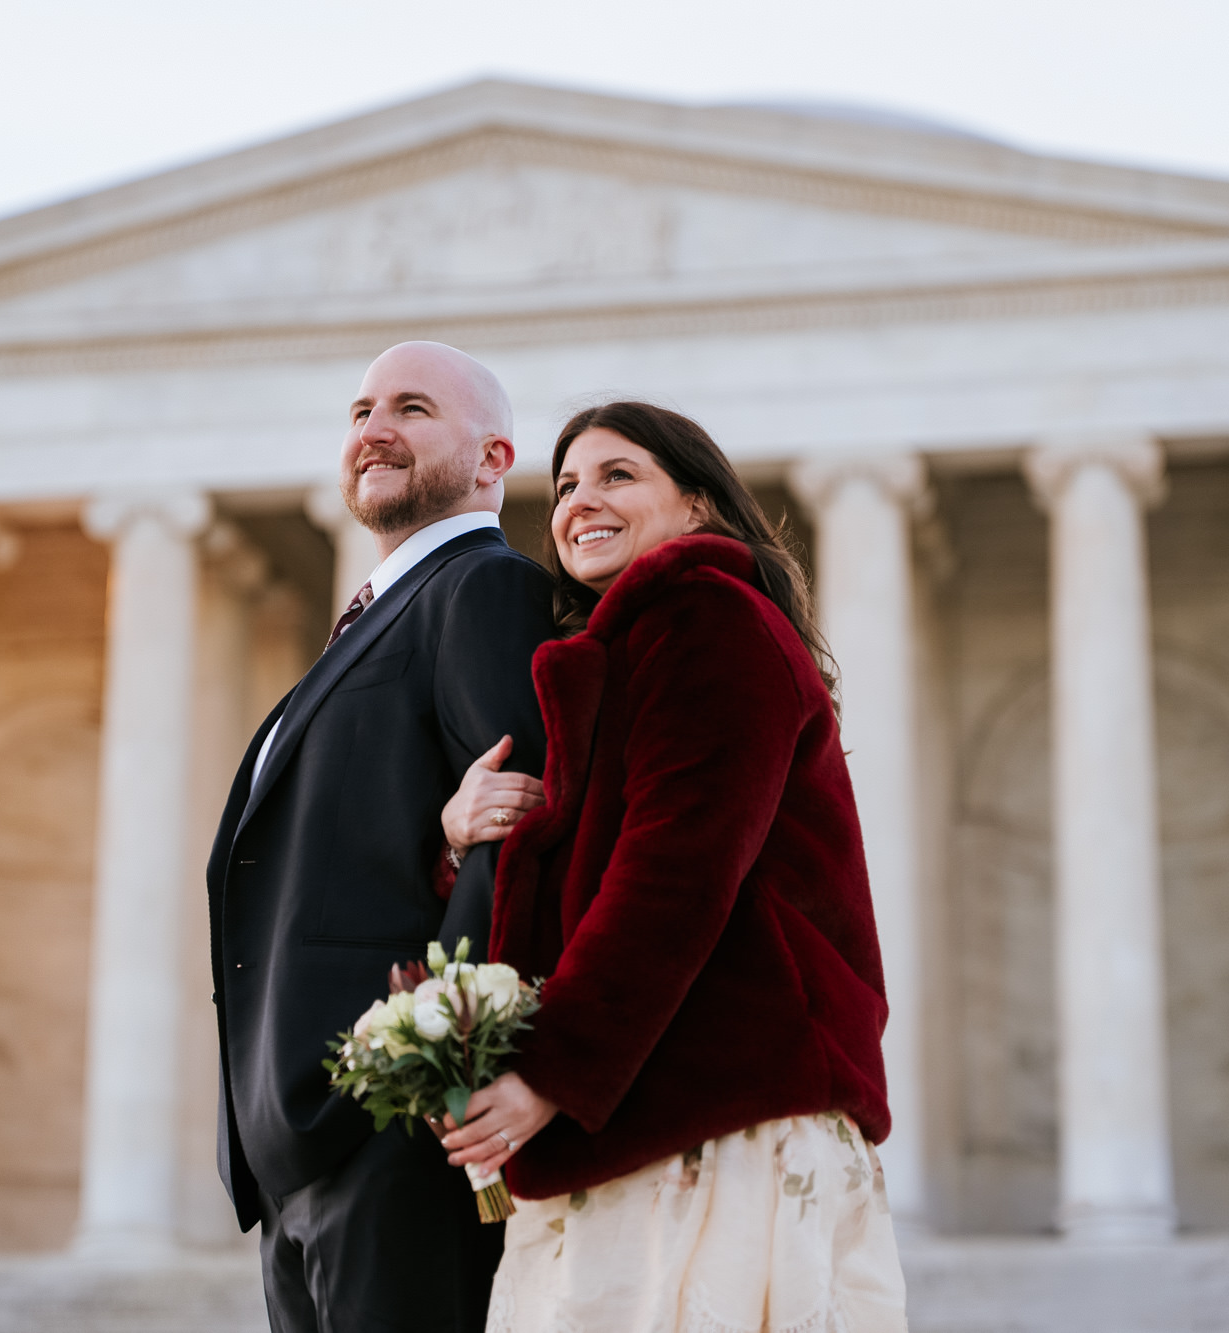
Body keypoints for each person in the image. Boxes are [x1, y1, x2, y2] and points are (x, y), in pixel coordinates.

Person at [438, 401, 908, 1332]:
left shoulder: (709, 617)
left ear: (698, 505)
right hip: (653, 1116)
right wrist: (462, 835)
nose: (580, 501)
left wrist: (553, 1069)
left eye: (620, 475)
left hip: (718, 1124)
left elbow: (677, 868)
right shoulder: (631, 650)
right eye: (566, 484)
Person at [208, 342, 558, 1333]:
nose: (373, 429)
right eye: (360, 410)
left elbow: (519, 828)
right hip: (303, 1146)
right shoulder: (365, 622)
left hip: (395, 1129)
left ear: (492, 459)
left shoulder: (483, 588)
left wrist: (436, 1061)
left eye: (411, 408)